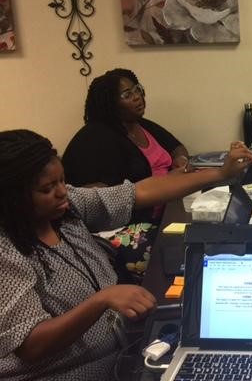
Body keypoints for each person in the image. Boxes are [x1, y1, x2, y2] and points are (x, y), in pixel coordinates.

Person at [0, 129, 252, 380]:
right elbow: (31, 344)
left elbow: (138, 193)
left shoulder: (66, 210)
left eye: (61, 181)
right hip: (70, 372)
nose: (62, 192)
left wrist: (220, 173)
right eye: (47, 189)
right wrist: (101, 300)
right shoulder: (6, 251)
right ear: (13, 198)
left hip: (119, 350)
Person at [62, 68, 190, 276]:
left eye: (137, 90)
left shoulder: (141, 125)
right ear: (110, 103)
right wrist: (167, 182)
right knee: (184, 252)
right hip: (129, 225)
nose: (138, 97)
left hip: (166, 207)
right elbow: (103, 195)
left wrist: (180, 160)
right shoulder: (96, 138)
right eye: (127, 94)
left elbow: (176, 146)